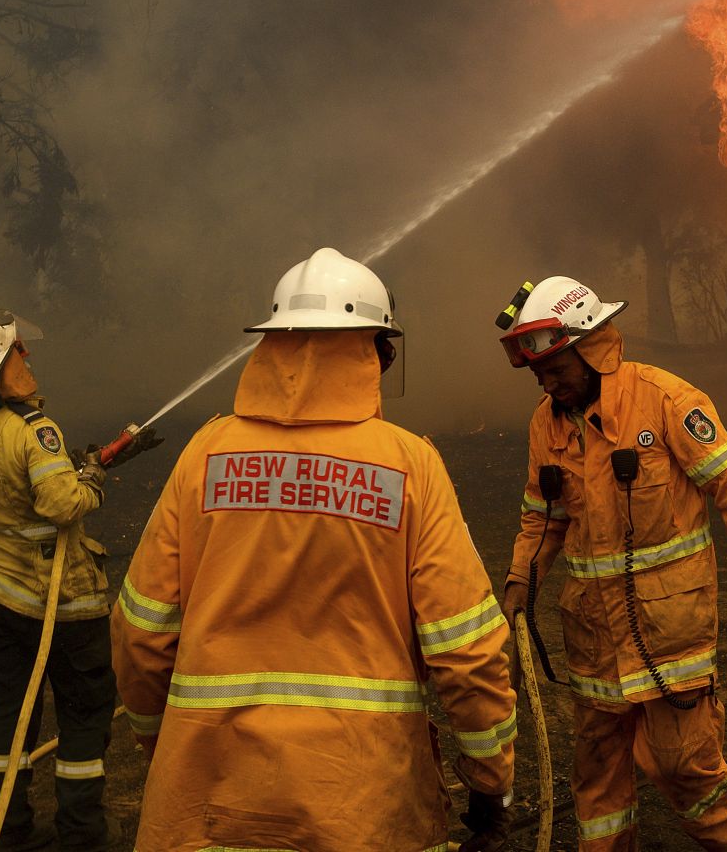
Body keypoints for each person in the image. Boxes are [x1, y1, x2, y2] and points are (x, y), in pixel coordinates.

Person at [113, 248, 516, 852]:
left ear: (273, 345)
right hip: (363, 801)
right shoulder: (409, 465)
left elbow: (142, 630)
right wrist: (490, 780)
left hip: (213, 793)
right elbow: (465, 648)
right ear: (373, 350)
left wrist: (161, 742)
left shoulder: (205, 455)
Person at [496, 275, 727, 851]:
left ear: (592, 349)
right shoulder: (545, 425)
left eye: (557, 369)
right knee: (598, 781)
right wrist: (518, 589)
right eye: (539, 374)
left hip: (669, 637)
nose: (548, 384)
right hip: (592, 641)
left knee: (687, 770)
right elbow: (542, 519)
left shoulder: (667, 401)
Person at [0, 310, 157, 851]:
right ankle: (82, 832)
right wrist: (93, 481)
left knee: (12, 716)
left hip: (2, 592)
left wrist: (74, 466)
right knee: (85, 713)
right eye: (16, 351)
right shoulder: (35, 430)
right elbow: (62, 503)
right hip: (60, 599)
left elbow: (23, 486)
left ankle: (4, 830)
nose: (25, 356)